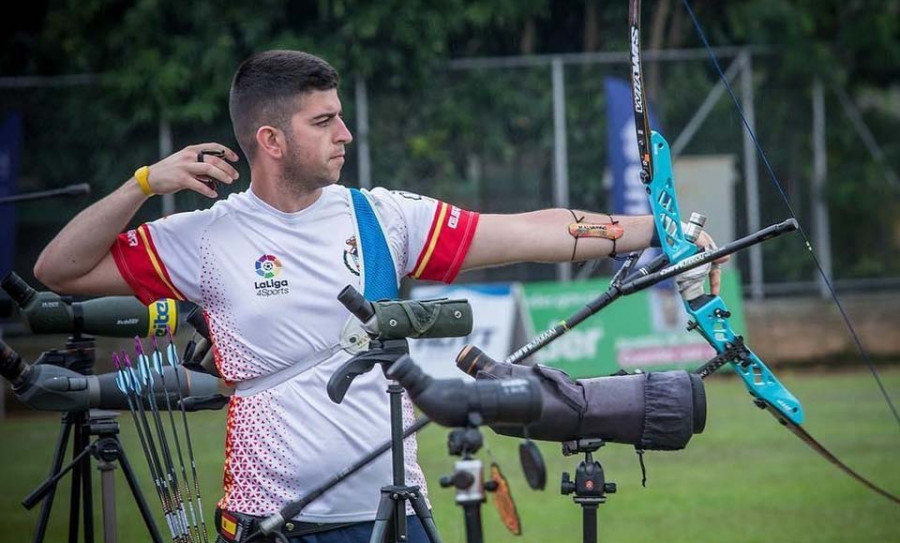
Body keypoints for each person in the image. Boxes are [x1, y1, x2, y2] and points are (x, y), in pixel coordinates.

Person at [34, 50, 726, 542]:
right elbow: (58, 268)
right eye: (324, 121)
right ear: (270, 140)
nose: (346, 133)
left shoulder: (381, 215)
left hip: (395, 514)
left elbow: (526, 231)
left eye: (341, 116)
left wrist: (663, 232)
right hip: (271, 520)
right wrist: (146, 182)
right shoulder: (206, 237)